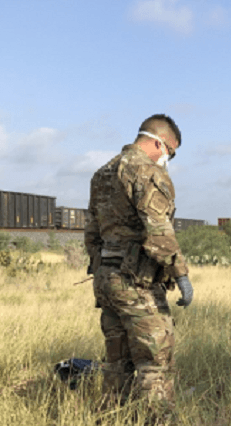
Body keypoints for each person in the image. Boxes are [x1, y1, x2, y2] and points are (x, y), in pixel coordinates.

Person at [84, 113, 194, 425]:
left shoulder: (102, 173)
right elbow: (158, 230)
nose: (167, 159)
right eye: (169, 152)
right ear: (160, 143)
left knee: (117, 362)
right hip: (137, 281)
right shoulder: (146, 171)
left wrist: (102, 267)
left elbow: (91, 232)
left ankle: (112, 419)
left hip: (107, 279)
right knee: (155, 362)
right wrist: (180, 275)